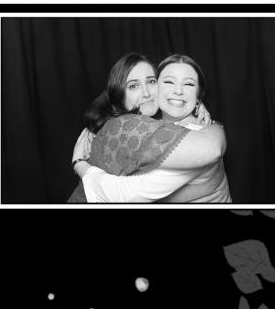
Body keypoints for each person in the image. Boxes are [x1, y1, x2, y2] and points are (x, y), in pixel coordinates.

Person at [70, 53, 231, 203]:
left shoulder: (191, 134)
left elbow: (129, 195)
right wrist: (80, 164)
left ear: (199, 94)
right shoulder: (129, 126)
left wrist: (80, 165)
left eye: (151, 81)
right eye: (169, 82)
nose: (178, 91)